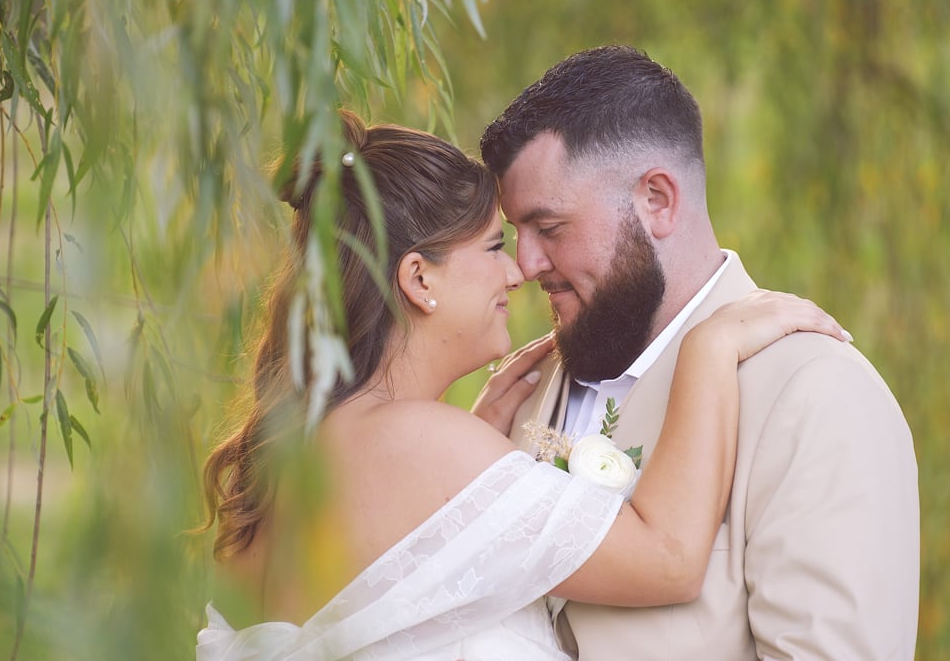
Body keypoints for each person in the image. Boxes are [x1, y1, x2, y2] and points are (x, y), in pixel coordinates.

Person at [196, 110, 851, 661]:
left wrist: (472, 466)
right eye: (490, 247)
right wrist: (709, 347)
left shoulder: (278, 476)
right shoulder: (418, 444)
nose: (518, 271)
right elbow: (672, 558)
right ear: (419, 279)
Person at [477, 45, 920, 660]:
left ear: (657, 200)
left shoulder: (818, 394)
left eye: (548, 229)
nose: (524, 266)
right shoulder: (523, 393)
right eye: (516, 234)